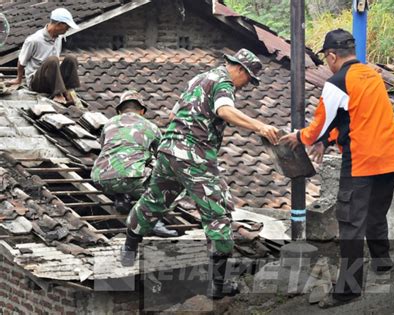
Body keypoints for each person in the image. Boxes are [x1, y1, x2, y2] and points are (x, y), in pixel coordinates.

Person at [120, 49, 280, 299]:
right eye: (248, 79)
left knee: (155, 200)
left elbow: (173, 115)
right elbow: (225, 110)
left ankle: (129, 249)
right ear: (240, 69)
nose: (246, 85)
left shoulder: (198, 79)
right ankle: (219, 284)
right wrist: (260, 127)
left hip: (169, 150)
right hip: (194, 156)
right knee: (217, 211)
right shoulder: (224, 82)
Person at [281, 29, 394, 308]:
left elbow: (321, 122)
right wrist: (328, 140)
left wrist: (302, 137)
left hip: (362, 159)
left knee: (350, 223)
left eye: (327, 59)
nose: (327, 64)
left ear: (332, 56)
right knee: (375, 211)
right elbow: (354, 116)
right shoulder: (371, 74)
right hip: (390, 156)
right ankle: (382, 260)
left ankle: (348, 289)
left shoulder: (337, 81)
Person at [91, 90, 177, 237]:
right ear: (142, 111)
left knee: (124, 163)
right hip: (131, 180)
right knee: (167, 179)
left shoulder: (108, 124)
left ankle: (122, 198)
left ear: (119, 111)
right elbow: (163, 156)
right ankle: (153, 221)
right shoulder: (151, 127)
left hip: (100, 179)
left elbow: (104, 148)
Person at [8, 8, 80, 106]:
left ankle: (69, 90)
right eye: (66, 26)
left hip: (53, 79)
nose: (67, 29)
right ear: (59, 24)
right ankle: (58, 94)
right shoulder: (33, 40)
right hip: (36, 82)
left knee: (71, 58)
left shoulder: (59, 38)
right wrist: (19, 79)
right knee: (53, 60)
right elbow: (21, 62)